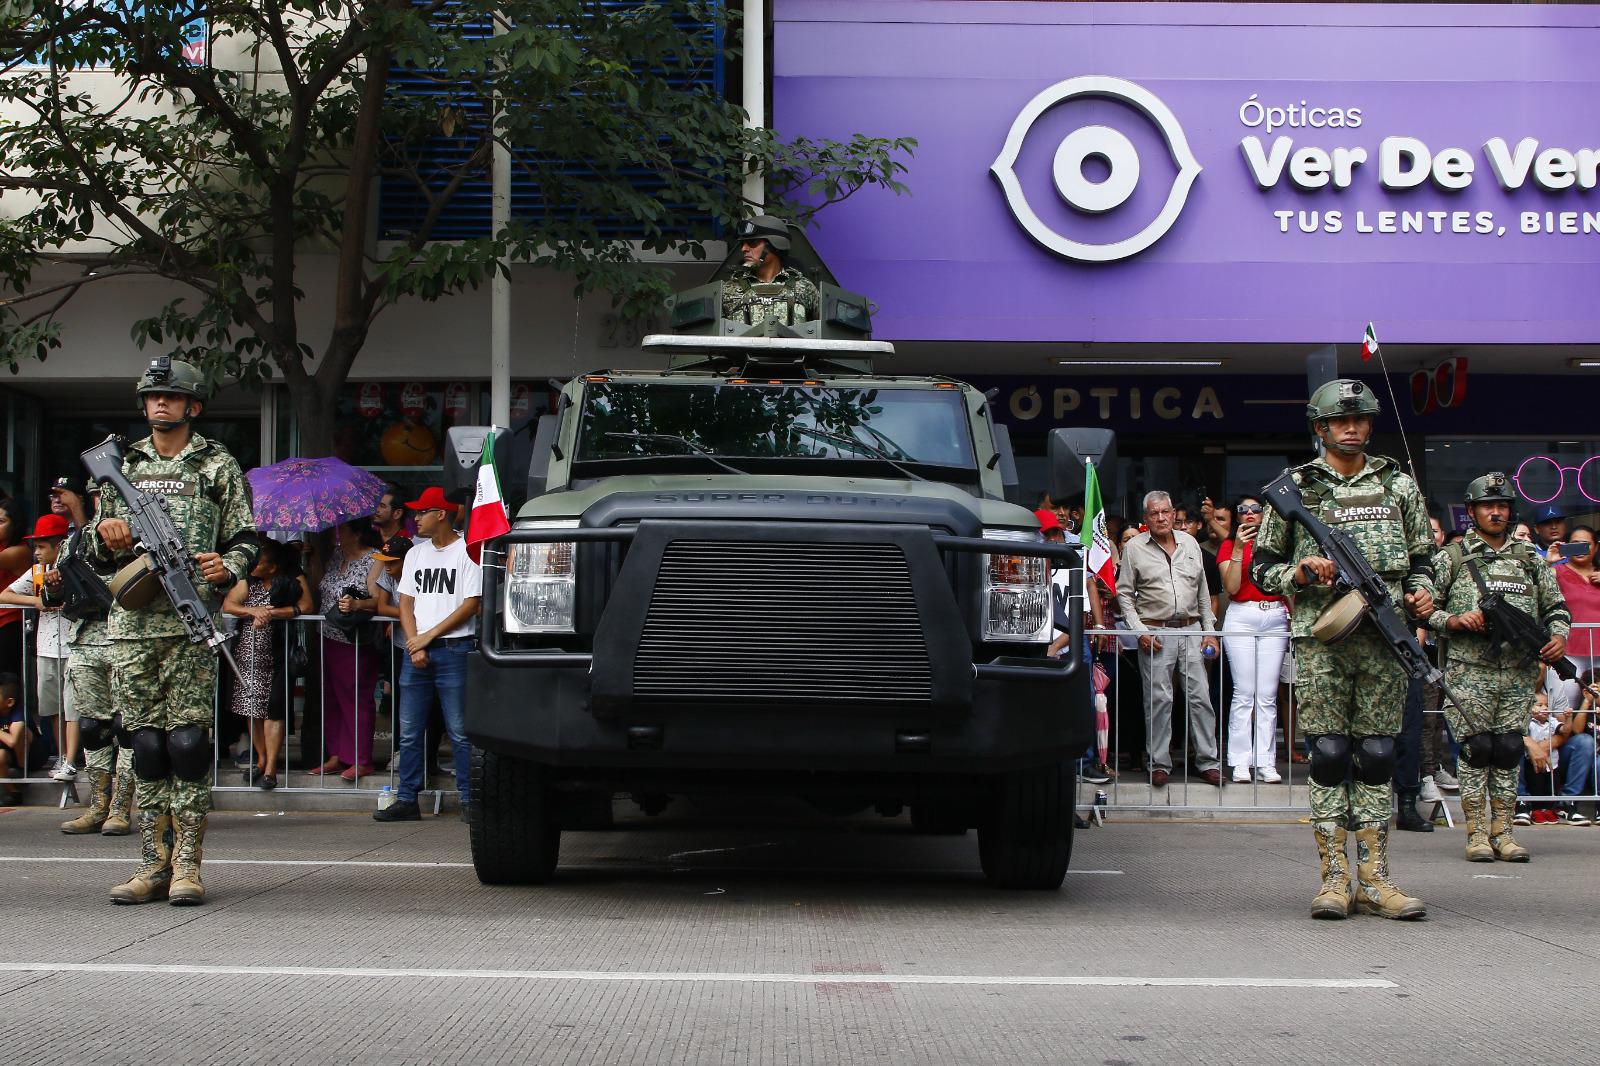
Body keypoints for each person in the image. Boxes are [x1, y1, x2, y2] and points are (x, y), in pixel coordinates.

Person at [1250, 378, 1435, 920]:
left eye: (1360, 419)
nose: (1351, 428)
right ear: (1321, 427)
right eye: (1340, 421)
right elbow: (1262, 569)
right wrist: (1301, 572)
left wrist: (1423, 592)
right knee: (1330, 754)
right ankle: (1334, 878)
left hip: (1383, 639)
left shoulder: (1398, 484)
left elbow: (1423, 558)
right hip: (1323, 640)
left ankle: (1375, 880)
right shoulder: (1297, 487)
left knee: (1376, 755)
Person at [87, 356, 258, 906]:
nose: (160, 403)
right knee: (145, 745)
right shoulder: (122, 464)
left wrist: (228, 567)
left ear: (194, 406)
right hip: (134, 623)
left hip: (190, 624)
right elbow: (90, 546)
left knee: (186, 744)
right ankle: (151, 863)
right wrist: (107, 531)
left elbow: (246, 537)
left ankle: (187, 865)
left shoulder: (216, 464)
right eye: (152, 396)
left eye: (172, 396)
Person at [1426, 472, 1569, 863]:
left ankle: (1504, 832)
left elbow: (1556, 607)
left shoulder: (1530, 559)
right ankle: (1476, 833)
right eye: (1487, 505)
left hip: (1518, 672)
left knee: (1507, 750)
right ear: (1472, 512)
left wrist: (1559, 636)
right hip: (1469, 671)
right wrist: (1454, 621)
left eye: (1502, 505)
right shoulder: (1452, 557)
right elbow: (1423, 608)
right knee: (1477, 750)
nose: (1495, 512)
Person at [374, 488, 481, 823]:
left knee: (460, 730)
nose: (415, 518)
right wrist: (415, 642)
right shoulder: (417, 553)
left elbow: (471, 604)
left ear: (441, 514)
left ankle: (470, 798)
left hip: (454, 647)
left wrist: (424, 638)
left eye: (422, 512)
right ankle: (407, 798)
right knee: (409, 730)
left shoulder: (468, 550)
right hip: (421, 648)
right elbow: (405, 601)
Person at [1115, 490, 1222, 787]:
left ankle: (1208, 762)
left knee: (1200, 698)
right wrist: (1140, 631)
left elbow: (1202, 592)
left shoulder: (1189, 542)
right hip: (1155, 631)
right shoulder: (1134, 547)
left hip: (1191, 628)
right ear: (1146, 518)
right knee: (1159, 700)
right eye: (1154, 513)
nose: (1161, 518)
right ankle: (1159, 763)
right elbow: (1125, 595)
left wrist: (1209, 631)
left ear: (1174, 514)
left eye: (1165, 512)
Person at [49, 478, 136, 835]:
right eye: (97, 496)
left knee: (127, 727)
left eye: (107, 495)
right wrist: (54, 586)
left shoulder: (133, 538)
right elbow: (54, 598)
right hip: (85, 639)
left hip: (124, 639)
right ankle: (98, 806)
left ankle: (121, 809)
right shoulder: (73, 542)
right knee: (91, 727)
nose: (103, 502)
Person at [222, 541, 311, 790]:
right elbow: (229, 605)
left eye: (259, 562)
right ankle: (261, 759)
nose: (253, 566)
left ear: (272, 567)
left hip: (278, 654)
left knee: (274, 709)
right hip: (248, 654)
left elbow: (306, 606)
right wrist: (253, 611)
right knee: (250, 708)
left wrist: (274, 613)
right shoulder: (247, 580)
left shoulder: (291, 579)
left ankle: (271, 767)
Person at [1217, 496, 1289, 783]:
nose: (1249, 513)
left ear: (1264, 514)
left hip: (1275, 615)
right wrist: (1238, 548)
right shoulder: (1228, 545)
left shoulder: (1278, 544)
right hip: (1242, 615)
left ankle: (1265, 762)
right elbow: (1232, 587)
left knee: (1267, 695)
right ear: (1236, 516)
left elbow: (1289, 587)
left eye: (1256, 509)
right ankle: (1240, 762)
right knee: (1244, 692)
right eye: (1243, 510)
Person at [0, 515, 75, 779]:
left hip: (75, 645)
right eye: (36, 546)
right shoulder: (37, 572)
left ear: (60, 545)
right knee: (54, 708)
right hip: (46, 646)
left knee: (74, 708)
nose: (36, 552)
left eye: (42, 546)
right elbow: (5, 594)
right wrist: (36, 601)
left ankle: (74, 759)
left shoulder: (76, 568)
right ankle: (62, 757)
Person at [313, 518, 382, 781]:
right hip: (327, 634)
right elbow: (320, 585)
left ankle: (361, 758)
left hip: (354, 638)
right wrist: (313, 558)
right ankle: (337, 754)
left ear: (357, 532)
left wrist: (356, 604)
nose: (336, 532)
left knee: (356, 697)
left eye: (341, 528)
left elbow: (378, 600)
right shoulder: (336, 555)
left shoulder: (374, 559)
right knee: (331, 696)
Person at [721, 215, 820, 328]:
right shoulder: (728, 290)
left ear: (774, 245)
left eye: (752, 242)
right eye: (742, 243)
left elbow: (826, 332)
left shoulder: (804, 288)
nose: (744, 249)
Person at [1554, 525, 1600, 681]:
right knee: (1567, 697)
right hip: (1568, 650)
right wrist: (1548, 561)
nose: (1580, 549)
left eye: (1585, 544)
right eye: (1575, 544)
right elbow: (1531, 584)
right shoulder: (1555, 571)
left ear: (1596, 547)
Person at [0, 499, 32, 685]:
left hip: (9, 623)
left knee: (6, 681)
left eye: (1, 522)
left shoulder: (19, 551)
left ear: (15, 525)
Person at [0, 672, 24, 801]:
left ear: (9, 702)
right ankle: (13, 792)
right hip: (6, 755)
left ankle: (21, 768)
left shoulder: (18, 711)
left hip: (27, 757)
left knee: (24, 731)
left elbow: (13, 741)